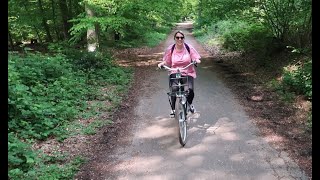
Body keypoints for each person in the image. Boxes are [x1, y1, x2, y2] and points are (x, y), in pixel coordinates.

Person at [158, 30, 201, 115]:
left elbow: (195, 57)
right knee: (174, 89)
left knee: (189, 90)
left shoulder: (188, 47)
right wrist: (162, 64)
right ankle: (173, 109)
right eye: (177, 37)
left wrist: (196, 60)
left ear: (184, 38)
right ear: (175, 38)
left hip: (187, 71)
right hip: (175, 71)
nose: (179, 39)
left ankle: (190, 104)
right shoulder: (171, 49)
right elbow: (166, 61)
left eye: (181, 37)